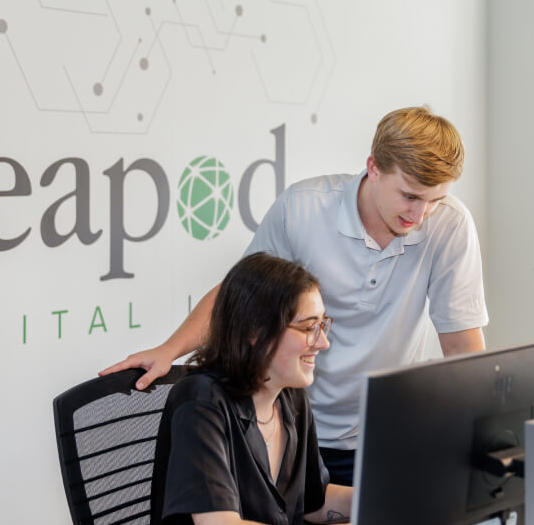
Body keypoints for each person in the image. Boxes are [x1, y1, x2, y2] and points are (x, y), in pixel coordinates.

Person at [103, 106, 488, 485]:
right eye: (409, 196)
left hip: (386, 437)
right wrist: (170, 350)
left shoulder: (450, 226)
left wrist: (479, 436)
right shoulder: (304, 209)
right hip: (294, 429)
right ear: (374, 168)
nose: (420, 215)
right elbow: (240, 298)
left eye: (434, 200)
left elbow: (460, 344)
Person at [135, 253, 352, 525]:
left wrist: (386, 505)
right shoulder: (200, 403)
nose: (322, 342)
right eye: (308, 327)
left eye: (322, 324)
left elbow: (313, 501)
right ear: (255, 331)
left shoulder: (290, 395)